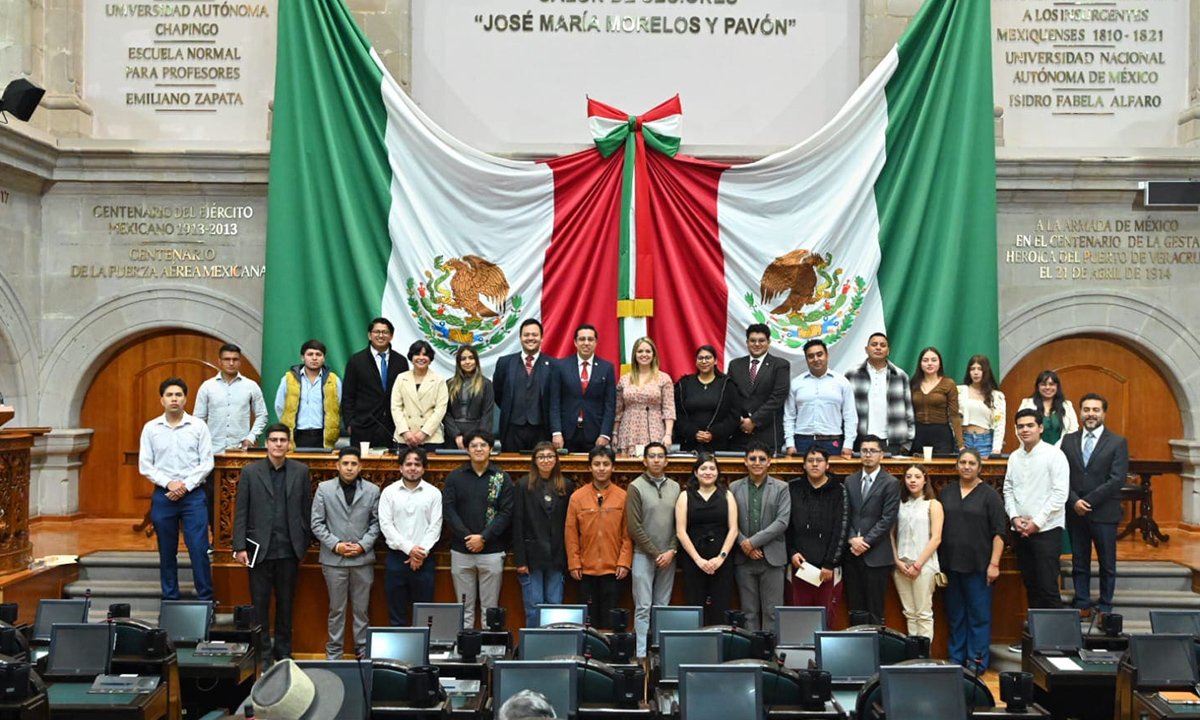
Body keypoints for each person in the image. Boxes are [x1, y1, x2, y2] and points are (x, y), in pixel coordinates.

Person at [233, 423, 313, 661]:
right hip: (259, 550)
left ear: (289, 444)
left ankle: (284, 653)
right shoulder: (250, 472)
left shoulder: (300, 471)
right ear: (266, 443)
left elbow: (306, 509)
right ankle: (263, 654)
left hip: (289, 549)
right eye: (274, 440)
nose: (278, 444)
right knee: (259, 606)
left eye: (283, 440)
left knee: (286, 606)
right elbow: (241, 511)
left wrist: (305, 541)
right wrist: (239, 546)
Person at [139, 377, 214, 601]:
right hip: (164, 495)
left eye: (178, 395)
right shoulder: (151, 428)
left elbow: (207, 462)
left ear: (185, 399)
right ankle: (170, 598)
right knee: (167, 550)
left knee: (198, 549)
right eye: (170, 395)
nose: (174, 399)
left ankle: (205, 599)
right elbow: (145, 465)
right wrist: (169, 484)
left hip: (194, 496)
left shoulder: (198, 426)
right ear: (162, 399)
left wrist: (185, 486)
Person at [939, 449, 1007, 669]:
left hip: (979, 566)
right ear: (956, 466)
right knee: (956, 616)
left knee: (979, 617)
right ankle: (956, 660)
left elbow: (999, 533)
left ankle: (976, 663)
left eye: (971, 463)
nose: (966, 466)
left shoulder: (990, 495)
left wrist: (994, 564)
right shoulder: (946, 493)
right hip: (950, 565)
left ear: (980, 467)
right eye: (962, 462)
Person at [310, 446, 380, 659]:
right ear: (337, 465)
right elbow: (317, 523)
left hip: (362, 559)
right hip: (334, 560)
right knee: (336, 610)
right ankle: (334, 652)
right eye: (345, 464)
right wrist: (336, 545)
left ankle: (362, 649)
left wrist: (362, 545)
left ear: (360, 466)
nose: (349, 468)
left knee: (362, 610)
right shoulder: (324, 489)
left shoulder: (372, 490)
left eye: (353, 464)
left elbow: (377, 523)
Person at [1062, 393, 1129, 614]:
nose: (1091, 414)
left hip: (1104, 512)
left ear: (1104, 413)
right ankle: (1082, 601)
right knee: (1079, 560)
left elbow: (1117, 478)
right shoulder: (1068, 440)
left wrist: (1087, 501)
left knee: (1106, 563)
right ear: (1080, 413)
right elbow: (1062, 475)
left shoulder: (1117, 442)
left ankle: (1105, 604)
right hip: (1075, 512)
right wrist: (1074, 501)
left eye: (1096, 410)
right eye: (1087, 409)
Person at [193, 343, 268, 532]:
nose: (231, 363)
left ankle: (241, 538)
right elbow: (198, 419)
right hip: (213, 452)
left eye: (235, 359)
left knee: (243, 497)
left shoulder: (251, 386)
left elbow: (262, 415)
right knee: (212, 497)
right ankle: (216, 537)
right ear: (219, 361)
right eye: (227, 359)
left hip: (241, 453)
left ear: (239, 362)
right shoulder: (207, 387)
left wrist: (251, 437)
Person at [442, 430, 513, 628]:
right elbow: (449, 510)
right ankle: (465, 654)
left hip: (491, 551)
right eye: (474, 445)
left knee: (490, 610)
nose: (479, 449)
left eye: (483, 445)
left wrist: (483, 538)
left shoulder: (501, 478)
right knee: (464, 609)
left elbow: (506, 513)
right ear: (467, 449)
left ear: (491, 448)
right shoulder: (455, 477)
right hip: (461, 551)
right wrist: (468, 537)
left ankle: (488, 654)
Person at [1004, 408, 1069, 610]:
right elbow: (1008, 489)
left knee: (1048, 588)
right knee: (1030, 586)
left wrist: (1037, 522)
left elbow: (1060, 494)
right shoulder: (1014, 456)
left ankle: (1057, 641)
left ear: (1040, 428)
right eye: (1020, 426)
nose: (1025, 430)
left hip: (1046, 530)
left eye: (1030, 425)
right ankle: (1036, 639)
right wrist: (1014, 518)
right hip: (1021, 530)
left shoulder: (1054, 455)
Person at [565, 445, 632, 629]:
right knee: (588, 620)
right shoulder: (577, 497)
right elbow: (571, 534)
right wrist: (574, 563)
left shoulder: (623, 496)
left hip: (614, 570)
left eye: (605, 464)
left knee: (611, 619)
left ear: (613, 467)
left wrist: (624, 562)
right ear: (589, 468)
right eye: (597, 464)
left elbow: (628, 534)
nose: (601, 468)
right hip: (585, 571)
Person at [626, 442, 681, 658]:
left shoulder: (675, 487)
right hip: (643, 555)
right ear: (645, 460)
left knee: (662, 607)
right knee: (642, 607)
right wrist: (655, 553)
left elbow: (680, 523)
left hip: (669, 556)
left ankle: (659, 655)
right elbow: (633, 526)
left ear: (666, 460)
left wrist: (671, 550)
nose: (656, 460)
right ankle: (640, 655)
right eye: (652, 456)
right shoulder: (635, 486)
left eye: (660, 456)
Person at [729, 442, 791, 632]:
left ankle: (770, 655)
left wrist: (752, 543)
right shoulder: (733, 487)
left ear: (769, 462)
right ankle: (753, 656)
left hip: (772, 559)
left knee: (772, 612)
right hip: (743, 559)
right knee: (749, 613)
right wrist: (744, 544)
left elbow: (782, 522)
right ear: (745, 462)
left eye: (762, 459)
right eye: (752, 459)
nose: (757, 463)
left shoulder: (781, 487)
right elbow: (730, 522)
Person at [379, 446, 442, 626]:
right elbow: (386, 524)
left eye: (417, 464)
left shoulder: (433, 493)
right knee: (396, 614)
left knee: (424, 615)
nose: (413, 468)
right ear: (400, 468)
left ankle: (421, 654)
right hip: (396, 559)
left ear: (423, 468)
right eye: (408, 464)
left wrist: (420, 553)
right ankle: (400, 655)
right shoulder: (389, 492)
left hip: (424, 560)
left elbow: (435, 525)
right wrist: (409, 549)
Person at [843, 435, 901, 625]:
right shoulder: (850, 481)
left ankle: (876, 652)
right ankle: (857, 653)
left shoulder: (891, 483)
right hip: (852, 555)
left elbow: (887, 519)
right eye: (864, 450)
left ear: (881, 455)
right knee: (855, 610)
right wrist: (852, 539)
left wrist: (865, 542)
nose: (868, 455)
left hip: (876, 556)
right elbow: (845, 514)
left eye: (872, 451)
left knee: (875, 611)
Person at [676, 452, 738, 626]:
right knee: (695, 607)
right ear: (696, 472)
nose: (708, 472)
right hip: (693, 560)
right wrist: (698, 560)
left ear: (718, 472)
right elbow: (681, 531)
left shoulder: (727, 494)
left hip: (722, 560)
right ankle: (696, 648)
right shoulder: (685, 495)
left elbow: (733, 529)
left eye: (712, 468)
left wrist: (721, 558)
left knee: (721, 607)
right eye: (703, 468)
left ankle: (719, 648)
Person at [513, 442, 570, 628]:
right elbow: (518, 523)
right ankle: (533, 650)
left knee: (555, 605)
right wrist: (520, 560)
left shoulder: (566, 485)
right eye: (541, 457)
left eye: (550, 456)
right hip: (531, 557)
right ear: (534, 461)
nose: (546, 460)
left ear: (556, 459)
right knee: (534, 607)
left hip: (557, 556)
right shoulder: (523, 485)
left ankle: (553, 648)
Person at [785, 447, 848, 614]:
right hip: (799, 565)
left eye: (819, 461)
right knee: (800, 616)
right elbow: (786, 524)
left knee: (826, 616)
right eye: (810, 461)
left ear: (827, 465)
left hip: (827, 570)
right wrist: (791, 552)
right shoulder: (793, 488)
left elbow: (841, 528)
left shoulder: (839, 490)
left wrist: (830, 564)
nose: (814, 464)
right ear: (804, 465)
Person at [891, 464, 943, 640]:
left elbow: (936, 538)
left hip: (924, 565)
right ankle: (914, 656)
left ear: (925, 479)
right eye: (908, 477)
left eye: (917, 476)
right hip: (901, 565)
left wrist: (918, 564)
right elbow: (890, 534)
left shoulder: (933, 504)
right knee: (909, 613)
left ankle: (925, 659)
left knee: (923, 614)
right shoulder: (899, 504)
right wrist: (896, 560)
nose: (912, 480)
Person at [341, 317, 409, 449]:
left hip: (393, 427)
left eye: (385, 332)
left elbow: (405, 395)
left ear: (391, 335)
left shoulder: (400, 361)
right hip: (363, 426)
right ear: (369, 335)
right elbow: (348, 395)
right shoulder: (356, 361)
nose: (381, 335)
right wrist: (350, 423)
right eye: (377, 332)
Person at [783, 339, 857, 458]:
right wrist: (790, 444)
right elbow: (789, 417)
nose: (816, 359)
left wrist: (848, 444)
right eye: (811, 356)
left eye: (819, 354)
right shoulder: (796, 383)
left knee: (834, 476)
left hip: (832, 442)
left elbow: (850, 416)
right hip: (802, 441)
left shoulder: (842, 382)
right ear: (806, 359)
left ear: (827, 355)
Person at [550, 324, 617, 452]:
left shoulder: (606, 368)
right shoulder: (560, 366)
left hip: (595, 434)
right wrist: (556, 432)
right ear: (575, 342)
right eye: (582, 339)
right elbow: (554, 403)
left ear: (596, 342)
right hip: (566, 434)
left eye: (590, 339)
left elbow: (610, 406)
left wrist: (605, 434)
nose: (586, 343)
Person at [845, 332, 915, 456]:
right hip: (860, 440)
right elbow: (845, 410)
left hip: (892, 441)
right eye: (874, 345)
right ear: (866, 349)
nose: (878, 348)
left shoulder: (900, 376)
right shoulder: (852, 375)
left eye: (882, 345)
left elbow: (909, 411)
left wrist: (907, 442)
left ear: (888, 350)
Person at [493, 319, 556, 452]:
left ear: (541, 338)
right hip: (512, 429)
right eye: (526, 335)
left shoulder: (554, 365)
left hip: (542, 430)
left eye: (534, 335)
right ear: (520, 338)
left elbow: (556, 399)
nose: (530, 338)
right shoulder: (505, 363)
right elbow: (498, 394)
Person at [728, 324, 791, 452]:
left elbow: (777, 398)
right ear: (747, 342)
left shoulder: (780, 365)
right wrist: (741, 420)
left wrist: (753, 420)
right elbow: (730, 396)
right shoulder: (735, 365)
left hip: (767, 435)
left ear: (768, 342)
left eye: (761, 340)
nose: (757, 344)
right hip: (739, 434)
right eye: (752, 340)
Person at [274, 339, 342, 449]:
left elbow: (339, 407)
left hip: (323, 436)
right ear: (302, 357)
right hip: (296, 436)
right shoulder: (288, 379)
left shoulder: (333, 380)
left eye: (318, 354)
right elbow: (280, 407)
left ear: (324, 358)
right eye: (310, 354)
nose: (314, 358)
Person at [613, 336, 675, 455]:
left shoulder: (663, 379)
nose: (644, 354)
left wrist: (668, 434)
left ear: (653, 355)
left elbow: (669, 409)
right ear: (635, 355)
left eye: (648, 351)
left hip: (654, 429)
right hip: (628, 430)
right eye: (640, 351)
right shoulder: (625, 379)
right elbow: (619, 410)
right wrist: (615, 433)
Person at [674, 344, 740, 452]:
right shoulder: (684, 384)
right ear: (696, 361)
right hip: (690, 443)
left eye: (708, 358)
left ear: (715, 361)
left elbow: (734, 415)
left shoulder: (727, 384)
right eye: (700, 358)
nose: (704, 361)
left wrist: (714, 433)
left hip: (720, 444)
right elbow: (677, 414)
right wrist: (693, 432)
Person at [390, 340, 449, 449]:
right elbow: (396, 408)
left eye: (425, 355)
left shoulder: (439, 380)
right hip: (404, 438)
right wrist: (405, 432)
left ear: (430, 359)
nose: (421, 358)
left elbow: (440, 410)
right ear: (411, 357)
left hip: (431, 438)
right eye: (417, 354)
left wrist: (423, 433)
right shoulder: (401, 378)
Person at [910, 346, 963, 455]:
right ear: (920, 364)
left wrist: (961, 445)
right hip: (918, 433)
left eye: (934, 360)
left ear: (940, 363)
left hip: (941, 434)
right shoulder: (913, 383)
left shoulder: (948, 384)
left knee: (941, 469)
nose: (929, 363)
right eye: (925, 360)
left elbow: (954, 415)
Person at [444, 344, 497, 449]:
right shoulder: (449, 384)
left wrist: (479, 439)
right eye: (463, 359)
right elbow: (445, 413)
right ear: (458, 363)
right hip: (453, 435)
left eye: (471, 358)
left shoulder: (486, 384)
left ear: (476, 361)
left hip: (478, 435)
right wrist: (456, 435)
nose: (467, 362)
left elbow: (487, 413)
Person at [957, 355, 1006, 458]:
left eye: (980, 369)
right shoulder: (960, 391)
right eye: (972, 369)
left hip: (985, 441)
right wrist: (959, 441)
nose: (976, 372)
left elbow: (1000, 425)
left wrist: (996, 448)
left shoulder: (996, 396)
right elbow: (952, 417)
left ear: (986, 371)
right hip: (964, 440)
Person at [1018, 370, 1078, 447]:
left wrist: (1056, 450)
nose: (1047, 387)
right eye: (1043, 384)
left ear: (1057, 386)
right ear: (1038, 386)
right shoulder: (1027, 403)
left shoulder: (1067, 405)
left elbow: (1072, 430)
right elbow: (1020, 428)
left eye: (1051, 384)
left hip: (1060, 452)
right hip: (1032, 451)